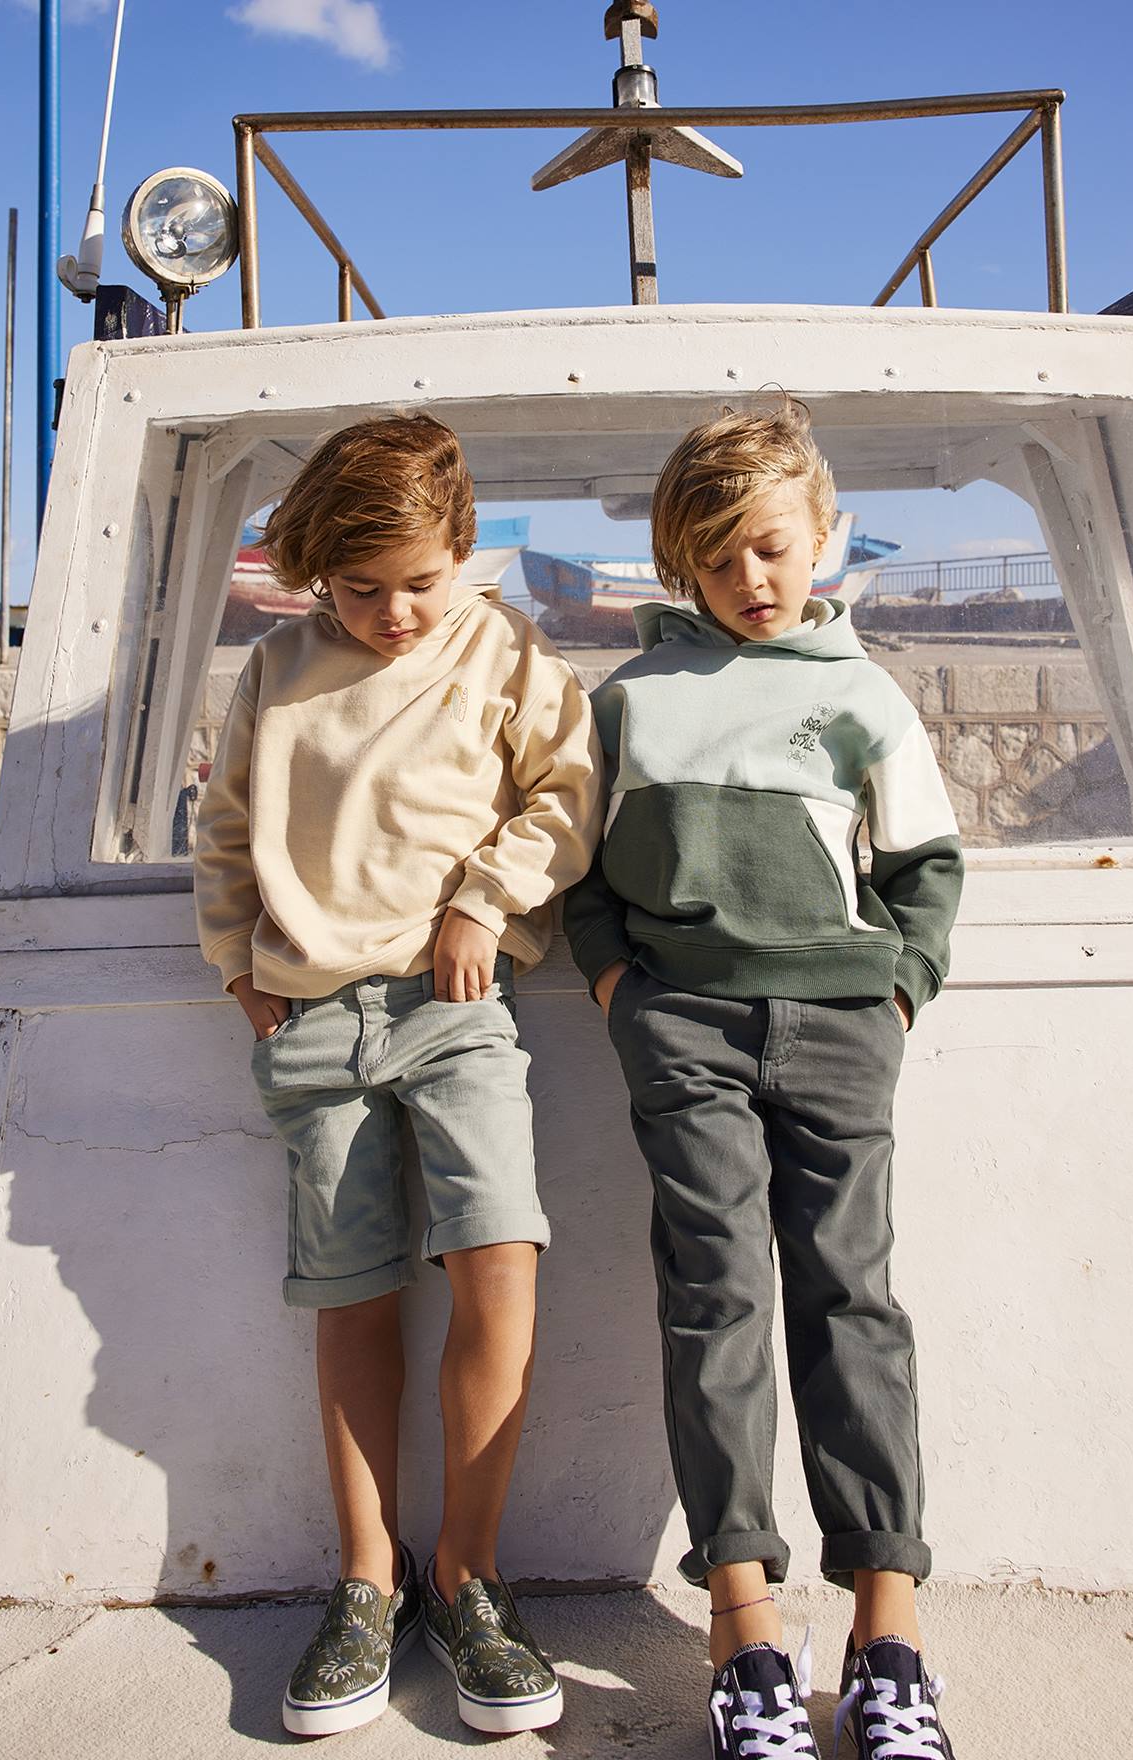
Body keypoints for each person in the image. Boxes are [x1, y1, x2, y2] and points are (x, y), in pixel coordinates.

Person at [193, 413, 602, 1739]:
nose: (393, 611)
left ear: (463, 551)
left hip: (453, 1004)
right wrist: (230, 959)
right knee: (353, 1295)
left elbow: (566, 789)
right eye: (359, 589)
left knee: (500, 1256)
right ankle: (372, 1578)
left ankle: (472, 1574)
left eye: (419, 580)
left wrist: (487, 902)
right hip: (310, 1017)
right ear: (317, 575)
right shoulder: (275, 669)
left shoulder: (505, 651)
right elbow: (229, 826)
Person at [564, 404, 963, 1759]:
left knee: (853, 1298)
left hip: (843, 1030)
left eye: (774, 549)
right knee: (717, 1299)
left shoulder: (865, 696)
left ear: (824, 539)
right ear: (684, 566)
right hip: (687, 1034)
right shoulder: (631, 702)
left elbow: (926, 871)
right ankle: (745, 1631)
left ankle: (888, 1633)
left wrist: (898, 992)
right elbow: (584, 880)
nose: (753, 580)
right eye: (722, 558)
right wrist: (626, 992)